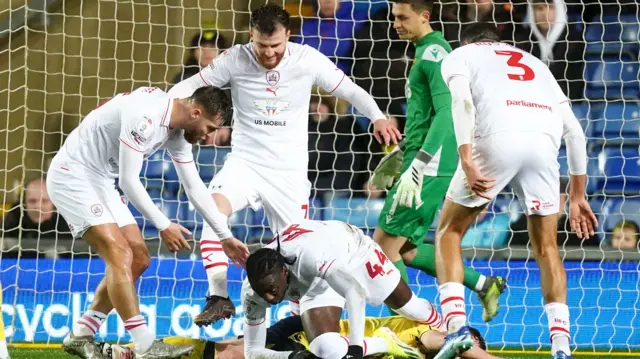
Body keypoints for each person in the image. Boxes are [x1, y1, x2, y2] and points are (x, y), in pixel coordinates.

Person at [168, 3, 401, 326]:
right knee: (211, 213)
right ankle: (218, 296)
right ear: (251, 36)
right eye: (261, 46)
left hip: (289, 173)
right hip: (245, 164)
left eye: (275, 46)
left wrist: (376, 116)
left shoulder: (306, 59)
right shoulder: (235, 58)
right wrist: (157, 107)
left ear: (288, 36)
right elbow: (188, 87)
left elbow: (348, 88)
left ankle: (296, 325)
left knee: (298, 257)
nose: (268, 53)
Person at [431, 23, 598, 359]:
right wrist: (578, 195)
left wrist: (466, 157)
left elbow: (462, 101)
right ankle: (562, 347)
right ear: (500, 42)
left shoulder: (459, 55)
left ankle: (457, 329)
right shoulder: (535, 63)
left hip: (496, 140)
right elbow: (576, 133)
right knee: (547, 247)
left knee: (449, 232)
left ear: (468, 42)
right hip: (543, 145)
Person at [47, 85, 244, 359]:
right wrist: (163, 224)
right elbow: (129, 182)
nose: (209, 136)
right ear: (196, 112)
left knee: (139, 258)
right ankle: (144, 344)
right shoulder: (146, 116)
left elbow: (194, 186)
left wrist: (224, 236)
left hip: (101, 180)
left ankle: (82, 333)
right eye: (210, 127)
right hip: (73, 176)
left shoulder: (177, 132)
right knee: (119, 253)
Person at [368, 0, 505, 322]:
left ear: (424, 16)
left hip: (428, 166)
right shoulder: (424, 51)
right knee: (405, 249)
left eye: (403, 17)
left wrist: (419, 164)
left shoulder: (434, 54)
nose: (396, 24)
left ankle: (406, 327)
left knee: (383, 247)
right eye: (394, 18)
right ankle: (485, 284)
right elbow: (428, 116)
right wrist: (403, 156)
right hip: (421, 160)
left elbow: (447, 113)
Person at [241, 219, 474, 359]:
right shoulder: (252, 292)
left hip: (354, 251)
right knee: (326, 350)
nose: (269, 297)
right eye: (263, 292)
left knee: (412, 309)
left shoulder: (309, 257)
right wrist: (292, 356)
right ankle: (387, 342)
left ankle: (446, 327)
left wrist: (355, 348)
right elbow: (252, 352)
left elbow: (355, 293)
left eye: (272, 289)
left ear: (284, 273)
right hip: (316, 281)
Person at [99, 315, 501, 359]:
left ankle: (137, 351)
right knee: (232, 354)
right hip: (313, 338)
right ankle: (138, 351)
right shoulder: (418, 336)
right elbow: (445, 339)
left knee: (228, 351)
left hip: (313, 336)